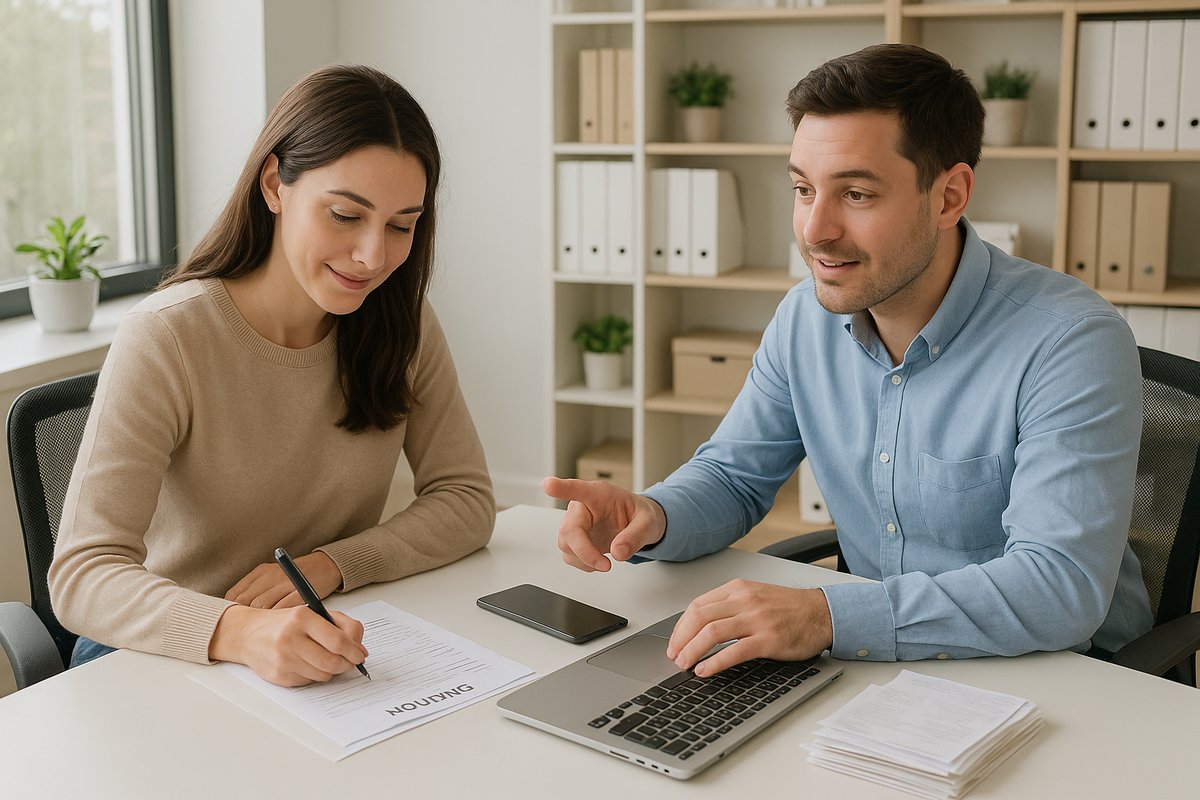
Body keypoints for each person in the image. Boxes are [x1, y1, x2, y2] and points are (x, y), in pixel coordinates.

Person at [545, 43, 1153, 678]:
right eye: (804, 190)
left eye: (856, 194)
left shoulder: (1070, 340)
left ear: (949, 196)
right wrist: (656, 515)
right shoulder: (805, 317)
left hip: (1065, 672)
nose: (815, 230)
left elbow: (1059, 587)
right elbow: (733, 477)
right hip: (878, 662)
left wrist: (823, 617)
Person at [49, 65, 495, 687]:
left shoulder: (401, 322)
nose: (373, 256)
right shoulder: (169, 336)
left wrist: (330, 566)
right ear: (274, 184)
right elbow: (83, 576)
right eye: (345, 214)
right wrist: (242, 630)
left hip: (318, 629)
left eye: (401, 226)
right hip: (161, 651)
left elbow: (467, 500)